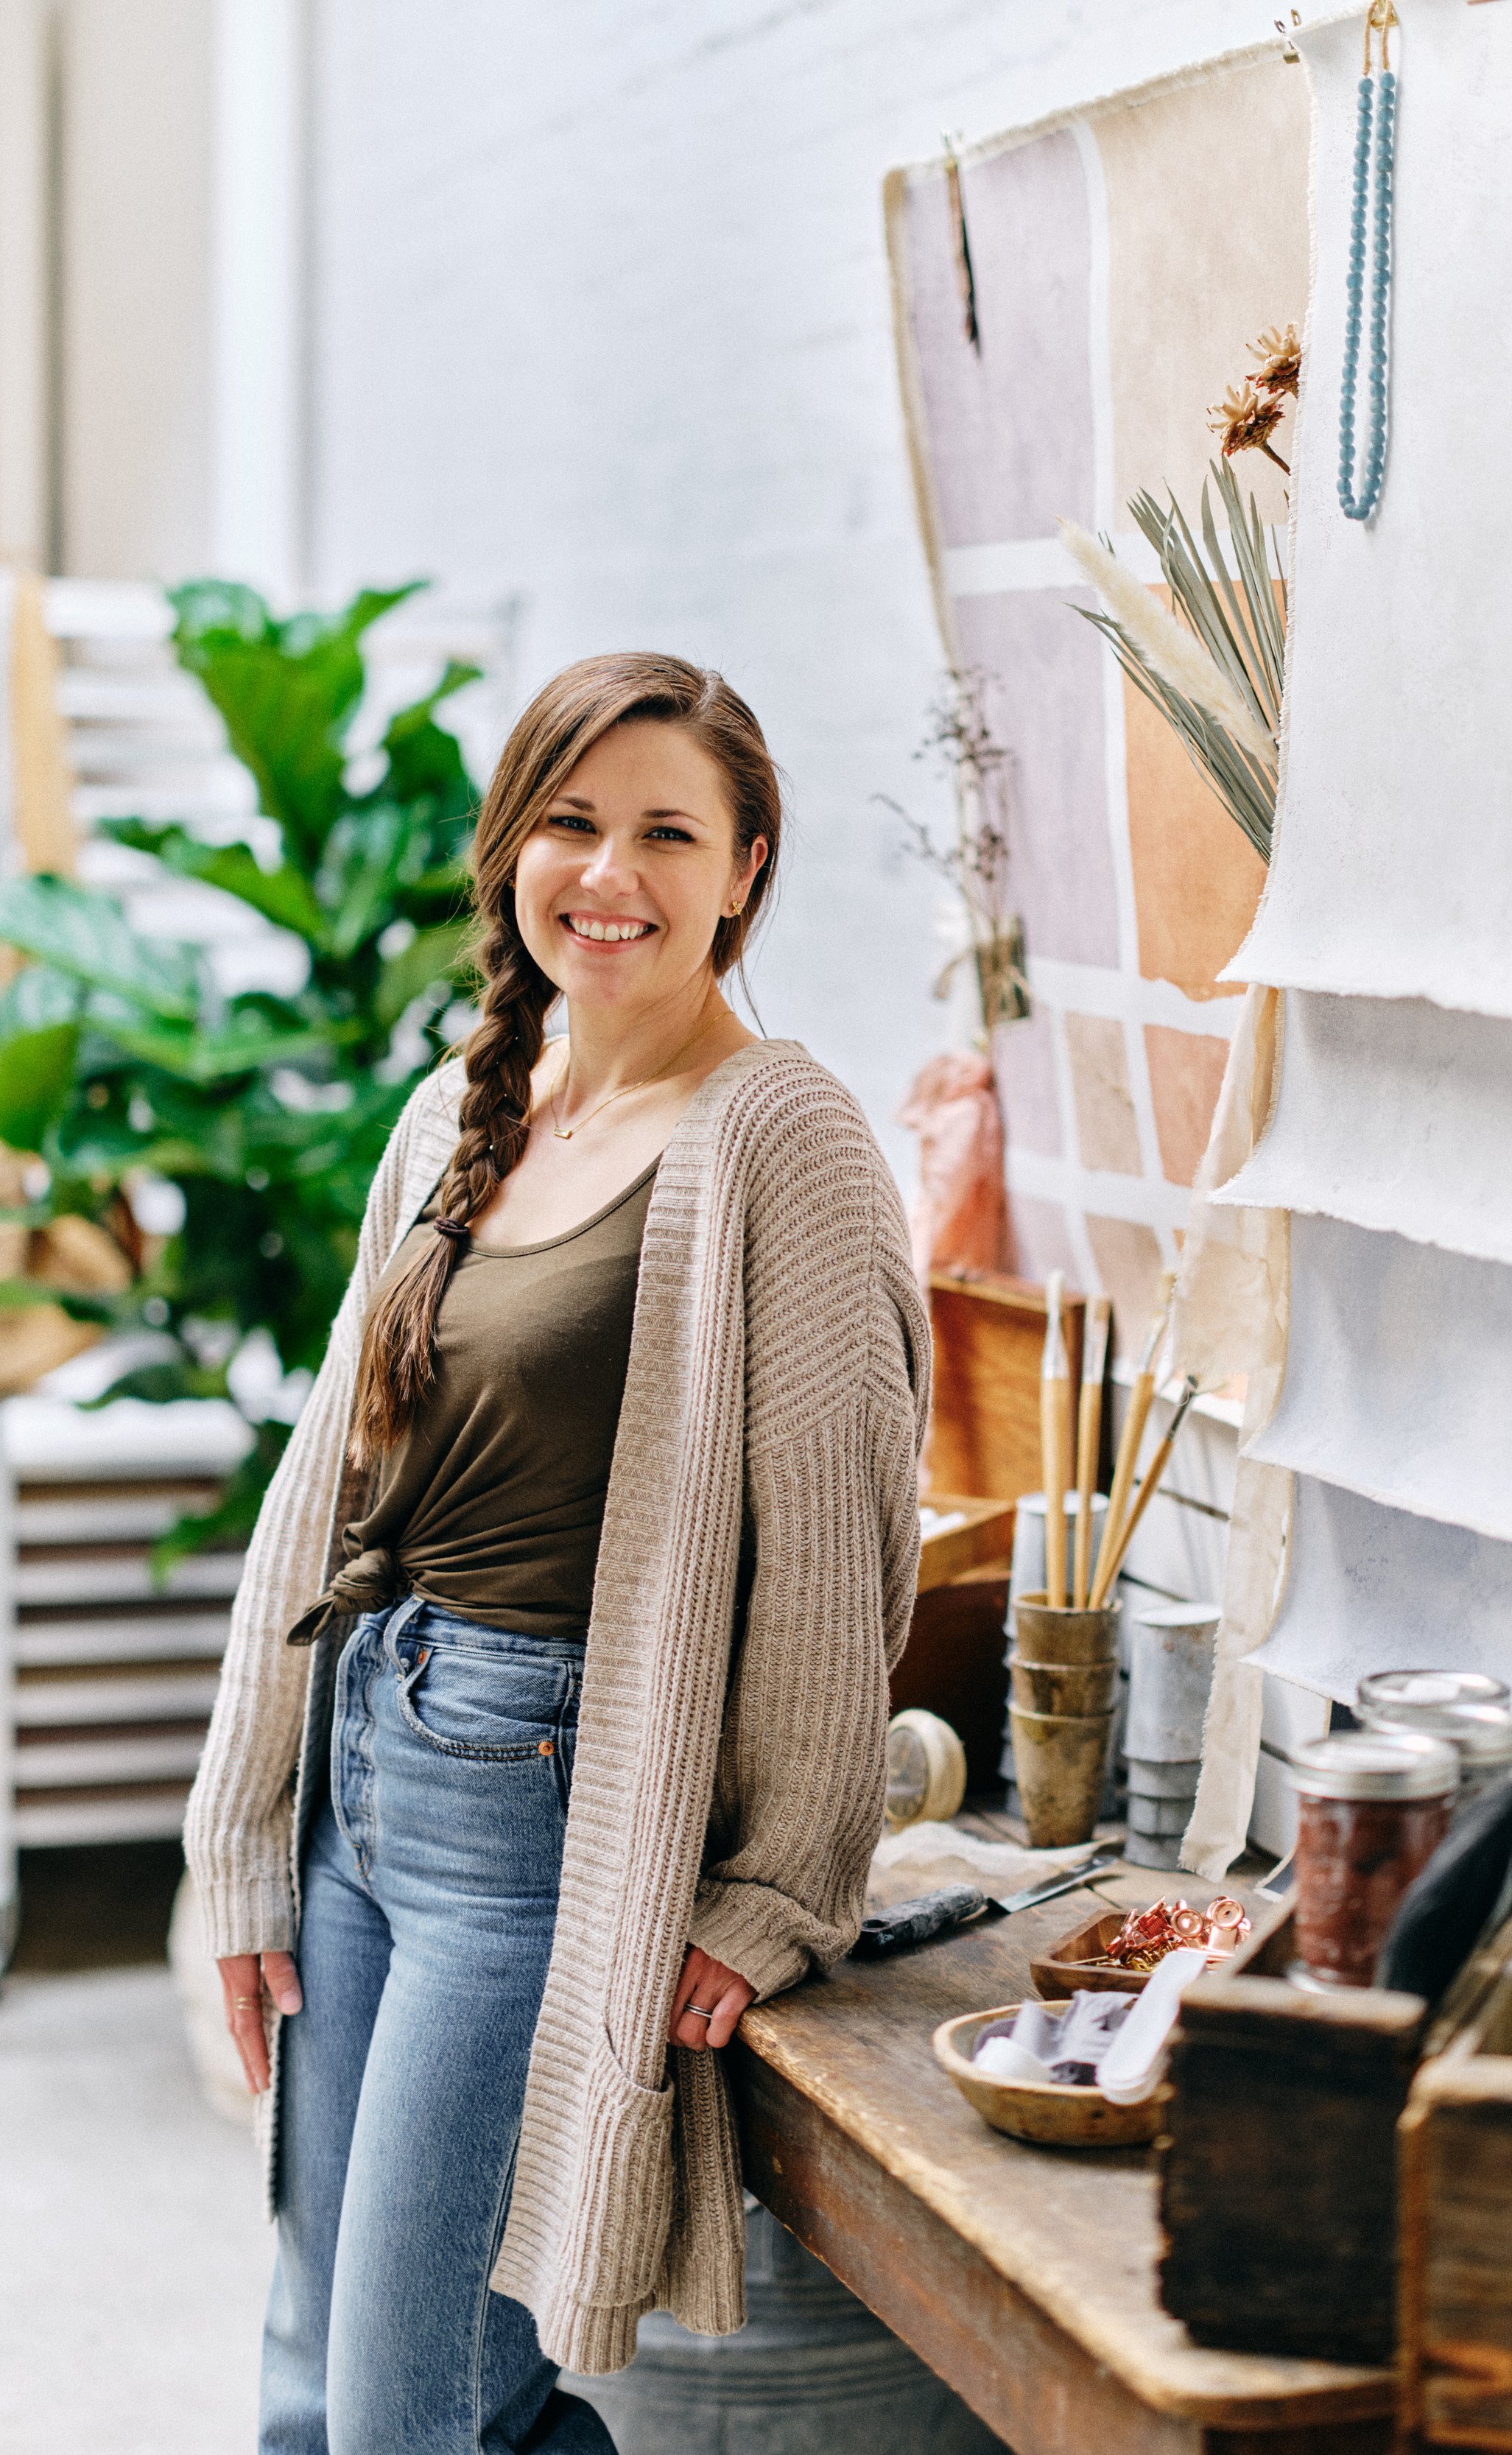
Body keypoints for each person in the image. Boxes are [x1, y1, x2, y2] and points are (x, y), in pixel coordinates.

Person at [183, 652, 929, 2455]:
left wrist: (776, 1889)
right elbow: (327, 1478)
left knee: (403, 2408)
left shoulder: (782, 1139)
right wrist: (242, 1824)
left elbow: (839, 1554)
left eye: (668, 831)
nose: (611, 872)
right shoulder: (462, 1107)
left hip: (537, 1801)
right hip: (363, 1750)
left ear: (745, 867)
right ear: (511, 845)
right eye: (571, 822)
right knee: (322, 2374)